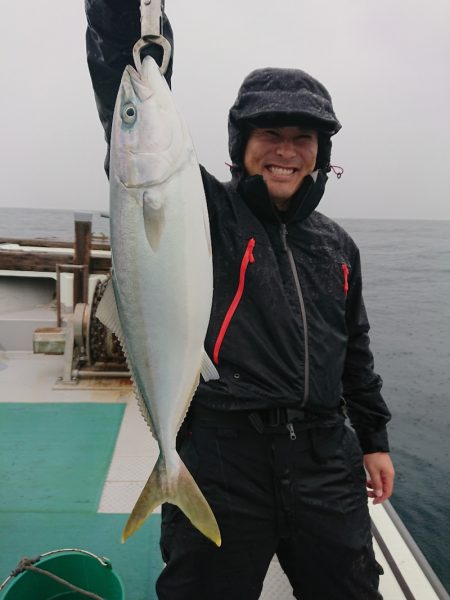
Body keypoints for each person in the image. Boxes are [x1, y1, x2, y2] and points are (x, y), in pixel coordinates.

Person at [86, 2, 395, 599]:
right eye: (268, 135)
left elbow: (355, 352)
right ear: (242, 145)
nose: (285, 150)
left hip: (325, 460)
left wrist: (375, 440)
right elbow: (127, 117)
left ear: (319, 154)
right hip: (223, 454)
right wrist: (130, 18)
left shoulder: (338, 245)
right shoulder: (204, 210)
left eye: (301, 137)